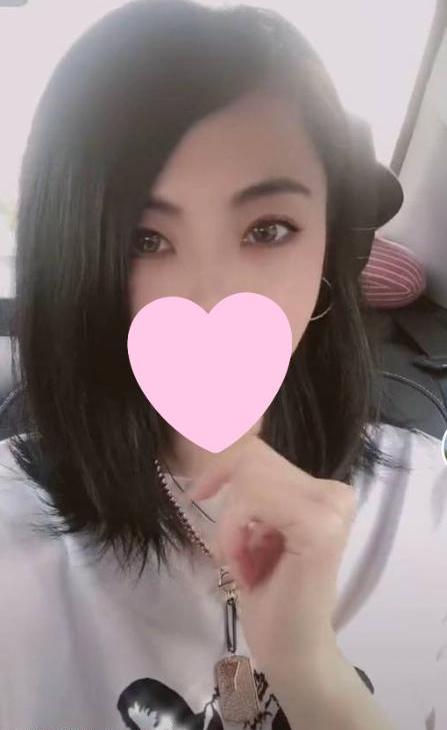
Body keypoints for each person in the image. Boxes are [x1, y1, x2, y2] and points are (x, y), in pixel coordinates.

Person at [0, 1, 445, 728]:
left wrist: (312, 672)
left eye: (268, 229)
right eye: (144, 241)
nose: (211, 297)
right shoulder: (11, 538)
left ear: (328, 252)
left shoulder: (427, 507)